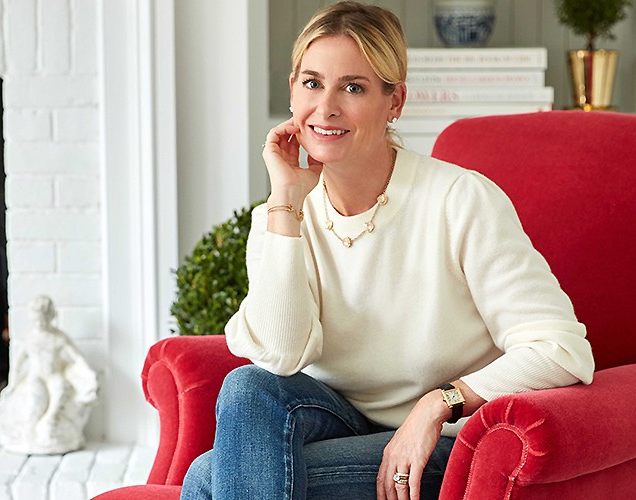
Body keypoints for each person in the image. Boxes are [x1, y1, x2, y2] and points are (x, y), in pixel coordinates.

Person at [181, 2, 594, 499]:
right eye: (312, 83)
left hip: (440, 443)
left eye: (352, 87)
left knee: (209, 479)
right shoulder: (281, 215)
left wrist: (437, 405)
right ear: (293, 90)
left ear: (395, 101)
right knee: (248, 388)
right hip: (338, 420)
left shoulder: (458, 201)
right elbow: (282, 355)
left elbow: (562, 350)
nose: (326, 107)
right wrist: (286, 204)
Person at [0, 295, 98, 454]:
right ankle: (30, 430)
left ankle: (50, 419)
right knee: (36, 397)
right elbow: (18, 363)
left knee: (60, 389)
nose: (39, 323)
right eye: (36, 320)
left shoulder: (58, 337)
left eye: (42, 319)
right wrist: (13, 383)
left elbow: (77, 357)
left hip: (53, 375)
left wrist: (87, 372)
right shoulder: (30, 337)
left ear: (50, 316)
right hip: (35, 376)